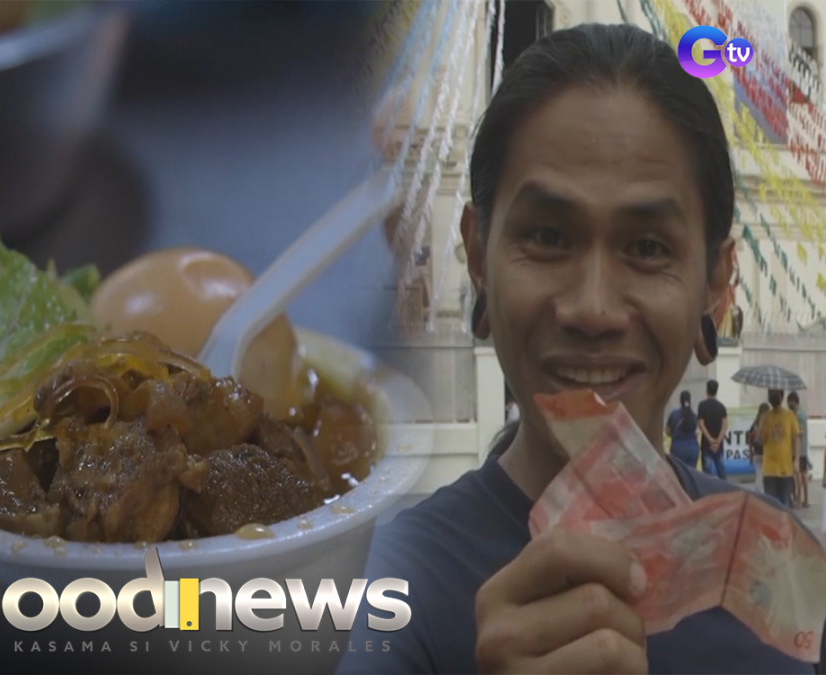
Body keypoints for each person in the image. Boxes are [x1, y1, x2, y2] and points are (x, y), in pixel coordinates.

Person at [337, 23, 821, 675]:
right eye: (547, 235)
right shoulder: (381, 593)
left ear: (715, 280)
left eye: (647, 247)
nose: (592, 307)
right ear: (478, 254)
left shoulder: (779, 569)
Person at [758, 389, 800, 508]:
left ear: (781, 397)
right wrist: (762, 423)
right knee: (770, 507)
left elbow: (796, 439)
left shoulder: (789, 416)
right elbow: (760, 441)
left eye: (775, 395)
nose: (773, 397)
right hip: (769, 469)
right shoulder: (766, 417)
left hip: (785, 469)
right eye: (771, 395)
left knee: (784, 506)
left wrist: (796, 460)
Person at [698, 379, 729, 480]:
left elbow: (701, 424)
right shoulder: (721, 407)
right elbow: (725, 425)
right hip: (718, 446)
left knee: (706, 474)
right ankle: (725, 492)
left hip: (707, 445)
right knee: (721, 472)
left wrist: (710, 440)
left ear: (707, 390)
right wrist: (718, 441)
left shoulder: (702, 405)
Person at [666, 390, 700, 469]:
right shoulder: (694, 415)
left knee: (679, 474)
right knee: (691, 474)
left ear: (680, 401)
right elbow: (697, 431)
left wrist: (674, 435)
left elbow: (667, 431)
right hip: (693, 447)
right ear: (689, 400)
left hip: (677, 448)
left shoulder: (674, 414)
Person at [788, 391, 810, 508]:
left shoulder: (798, 415)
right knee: (803, 474)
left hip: (798, 450)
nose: (788, 405)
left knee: (798, 475)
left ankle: (799, 499)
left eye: (789, 402)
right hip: (803, 449)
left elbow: (800, 431)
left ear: (793, 401)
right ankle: (805, 499)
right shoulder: (802, 413)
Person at [747, 402, 769, 494]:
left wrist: (750, 453)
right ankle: (763, 493)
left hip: (756, 453)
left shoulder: (755, 423)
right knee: (766, 476)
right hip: (766, 453)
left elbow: (749, 440)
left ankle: (758, 493)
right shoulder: (767, 422)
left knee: (758, 475)